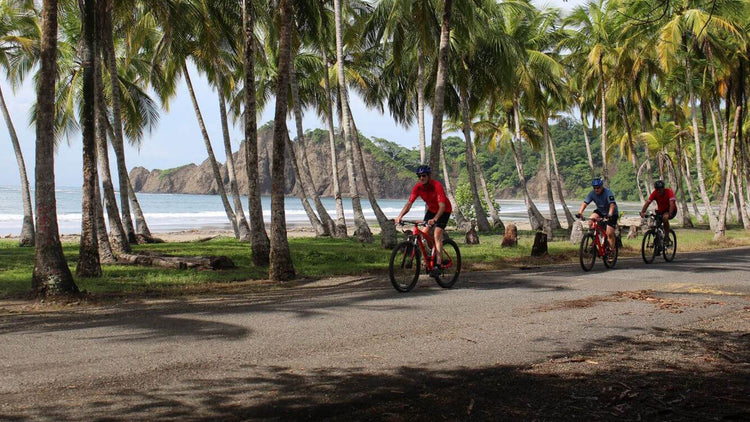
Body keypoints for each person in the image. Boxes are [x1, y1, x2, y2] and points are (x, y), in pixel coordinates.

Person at [395, 165, 452, 277]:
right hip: (431, 211)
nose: (421, 178)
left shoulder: (437, 186)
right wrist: (399, 216)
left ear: (429, 176)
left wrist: (435, 219)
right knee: (424, 233)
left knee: (437, 234)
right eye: (419, 176)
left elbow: (442, 206)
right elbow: (409, 204)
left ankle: (438, 265)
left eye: (424, 176)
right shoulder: (418, 188)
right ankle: (433, 252)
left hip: (444, 210)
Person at [576, 177, 618, 253]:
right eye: (594, 188)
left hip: (612, 213)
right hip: (600, 211)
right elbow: (585, 204)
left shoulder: (608, 193)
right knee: (591, 221)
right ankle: (594, 239)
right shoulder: (592, 193)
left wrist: (610, 214)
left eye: (598, 188)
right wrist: (580, 213)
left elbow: (612, 205)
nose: (596, 189)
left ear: (602, 187)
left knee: (609, 234)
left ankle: (611, 251)